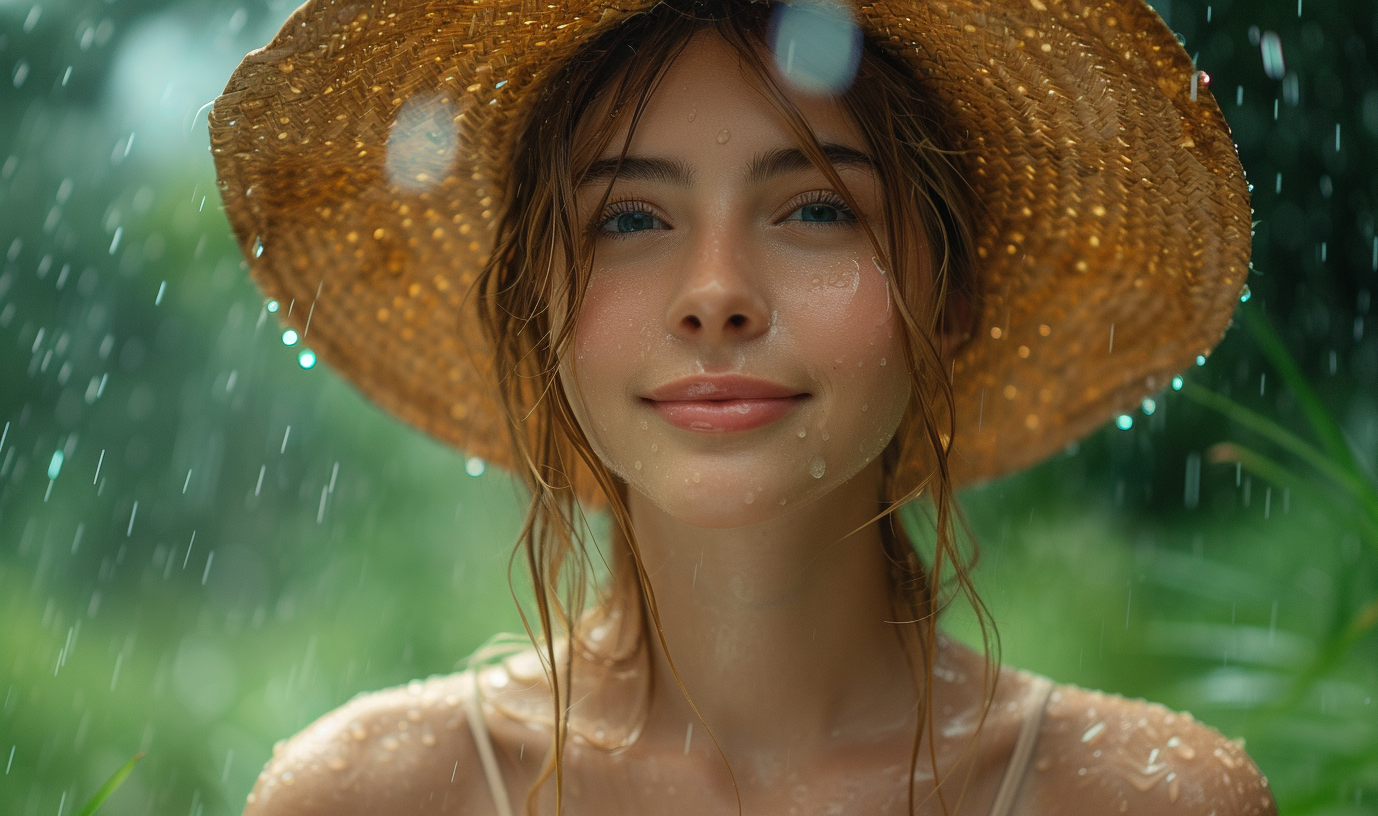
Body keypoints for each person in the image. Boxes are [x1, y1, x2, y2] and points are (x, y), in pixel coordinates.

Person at [210, 0, 1273, 813]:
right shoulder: (373, 798)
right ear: (536, 303)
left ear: (948, 291)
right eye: (629, 218)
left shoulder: (1144, 798)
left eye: (814, 207)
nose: (714, 293)